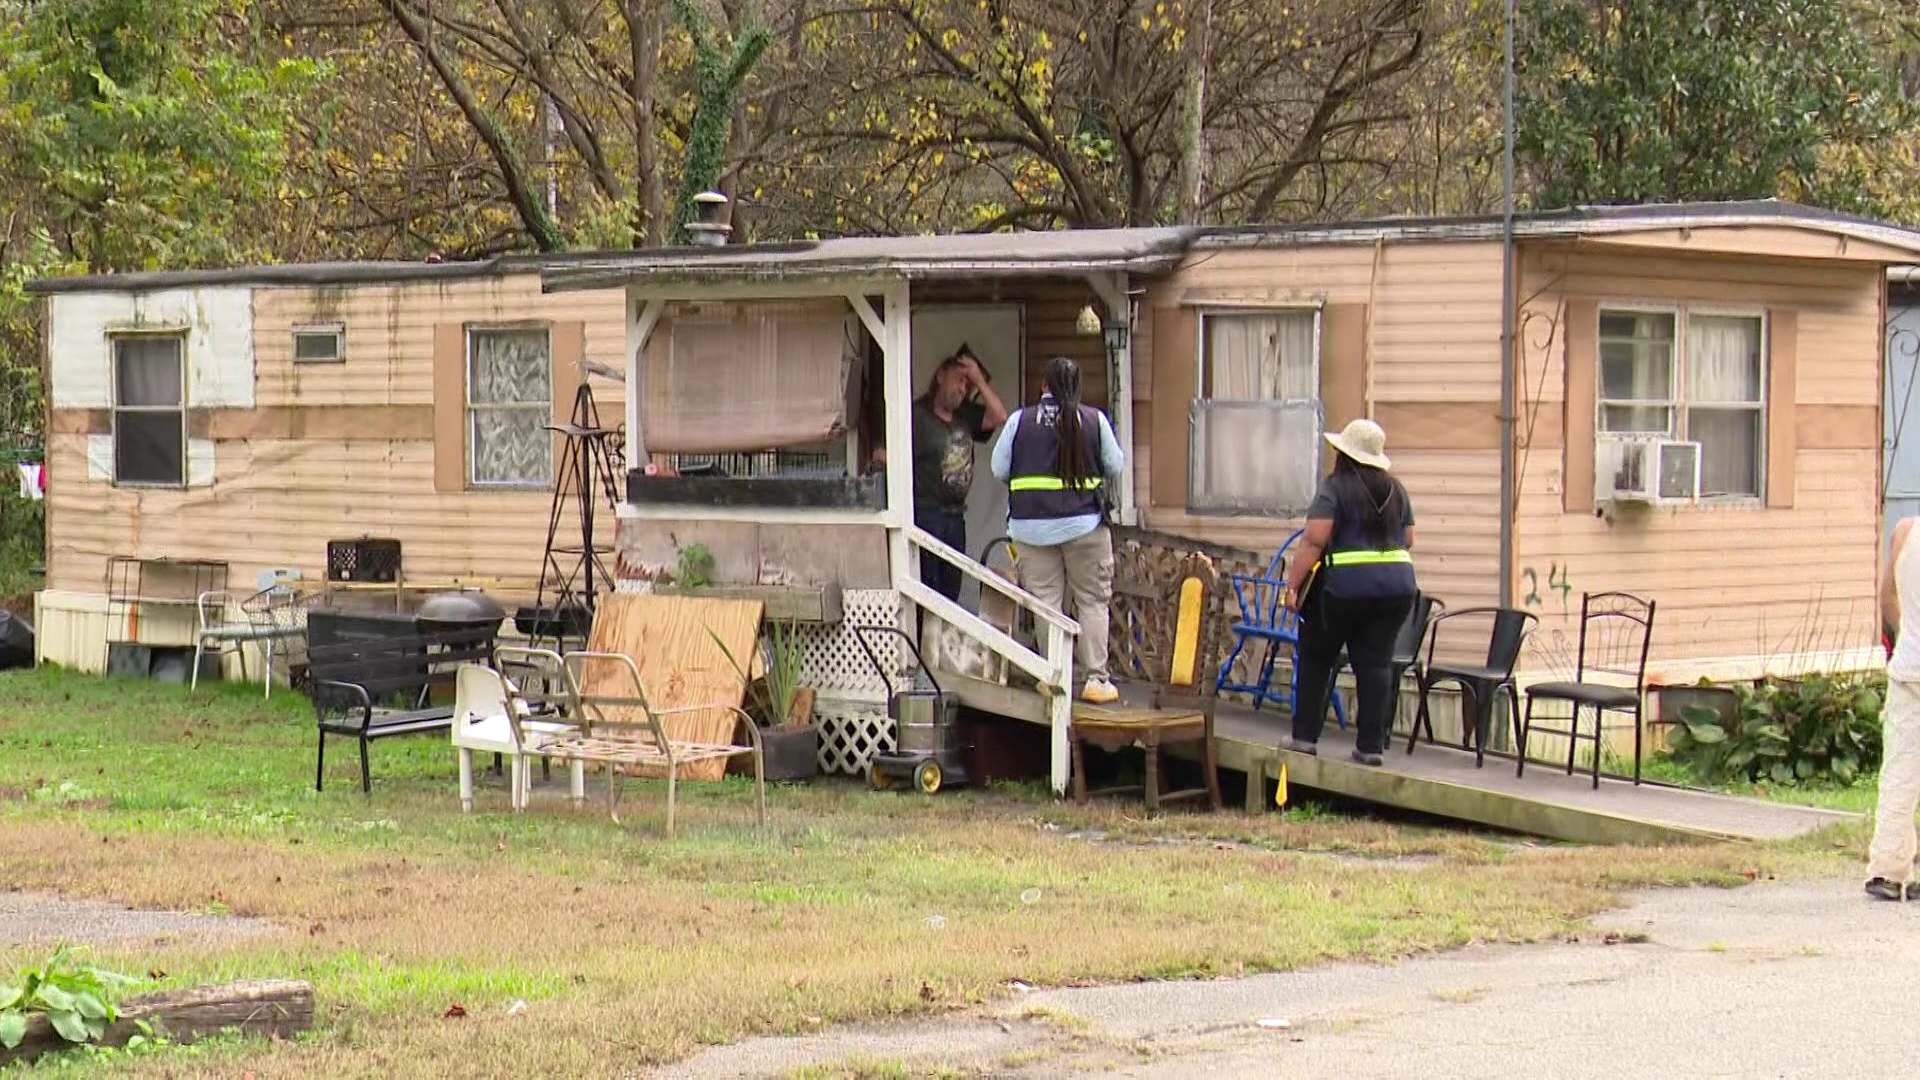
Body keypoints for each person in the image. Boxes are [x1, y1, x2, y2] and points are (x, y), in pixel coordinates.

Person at [1281, 418, 1417, 766]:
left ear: (1343, 453)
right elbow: (1409, 539)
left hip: (1343, 589)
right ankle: (1371, 747)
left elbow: (1315, 538)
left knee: (1316, 658)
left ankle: (1305, 739)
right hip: (1397, 589)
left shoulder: (1335, 488)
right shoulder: (1396, 490)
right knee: (1375, 664)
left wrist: (1293, 585)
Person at [991, 356, 1125, 704]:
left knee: (1046, 604)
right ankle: (1096, 680)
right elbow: (1115, 465)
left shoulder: (1020, 421)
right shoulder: (1093, 420)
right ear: (1076, 388)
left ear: (1044, 386)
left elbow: (998, 468)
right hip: (1086, 526)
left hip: (1030, 530)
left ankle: (1055, 676)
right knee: (1093, 601)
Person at [908, 345, 1007, 603]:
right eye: (959, 381)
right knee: (929, 589)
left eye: (967, 386)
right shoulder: (916, 416)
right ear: (940, 376)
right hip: (926, 514)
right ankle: (925, 641)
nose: (963, 389)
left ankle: (942, 641)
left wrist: (978, 379)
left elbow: (999, 415)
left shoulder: (965, 416)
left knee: (952, 590)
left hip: (955, 517)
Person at [1869, 516, 1920, 901]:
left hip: (1908, 670)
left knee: (1899, 771)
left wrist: (1906, 639)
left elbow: (1887, 598)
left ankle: (1887, 871)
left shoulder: (1905, 531)